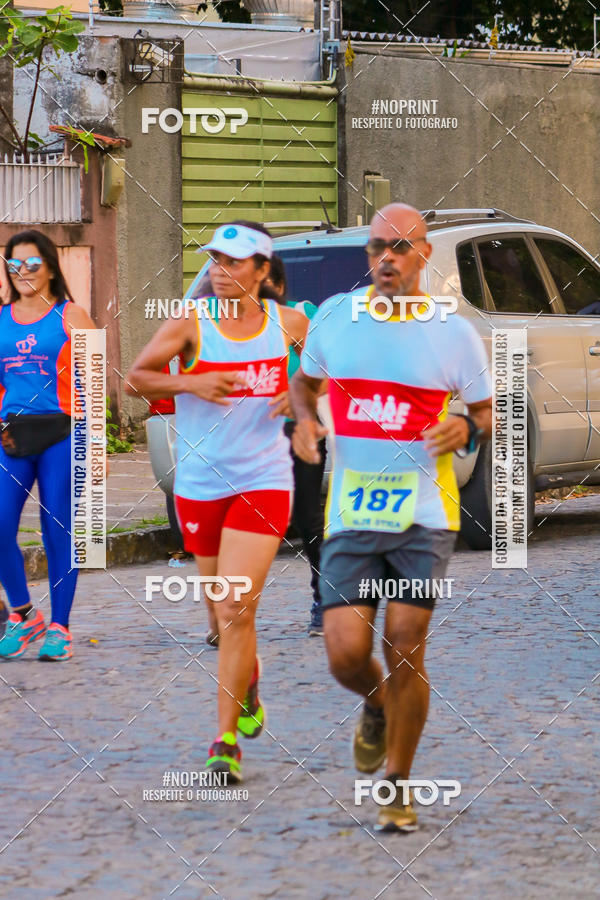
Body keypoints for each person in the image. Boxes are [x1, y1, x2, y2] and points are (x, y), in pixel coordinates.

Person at [290, 203, 492, 831]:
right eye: (379, 246)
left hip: (424, 513)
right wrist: (305, 421)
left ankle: (398, 785)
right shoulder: (336, 319)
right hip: (351, 509)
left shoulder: (452, 332)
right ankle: (377, 704)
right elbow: (304, 383)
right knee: (345, 655)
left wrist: (465, 426)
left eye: (402, 246)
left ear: (424, 254)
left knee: (404, 644)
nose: (388, 257)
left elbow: (489, 410)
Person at [126, 221, 308, 782]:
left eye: (234, 261)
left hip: (264, 479)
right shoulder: (191, 322)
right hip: (201, 484)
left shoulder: (290, 323)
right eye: (216, 260)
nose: (221, 271)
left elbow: (327, 374)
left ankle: (224, 742)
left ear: (262, 269)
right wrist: (190, 384)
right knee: (218, 615)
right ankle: (246, 679)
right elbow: (134, 379)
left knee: (235, 609)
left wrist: (300, 397)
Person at [0, 230, 97, 661]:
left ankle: (60, 627)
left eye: (32, 263)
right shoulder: (1, 318)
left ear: (51, 268)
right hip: (12, 435)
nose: (22, 271)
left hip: (64, 434)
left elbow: (95, 383)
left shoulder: (72, 316)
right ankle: (24, 615)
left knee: (58, 530)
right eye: (14, 264)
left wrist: (95, 448)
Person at [263, 255, 327, 636]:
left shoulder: (300, 316)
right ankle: (228, 611)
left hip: (297, 430)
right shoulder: (223, 324)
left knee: (307, 516)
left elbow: (324, 374)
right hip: (250, 436)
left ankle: (325, 600)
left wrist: (298, 398)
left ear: (279, 285)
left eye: (266, 285)